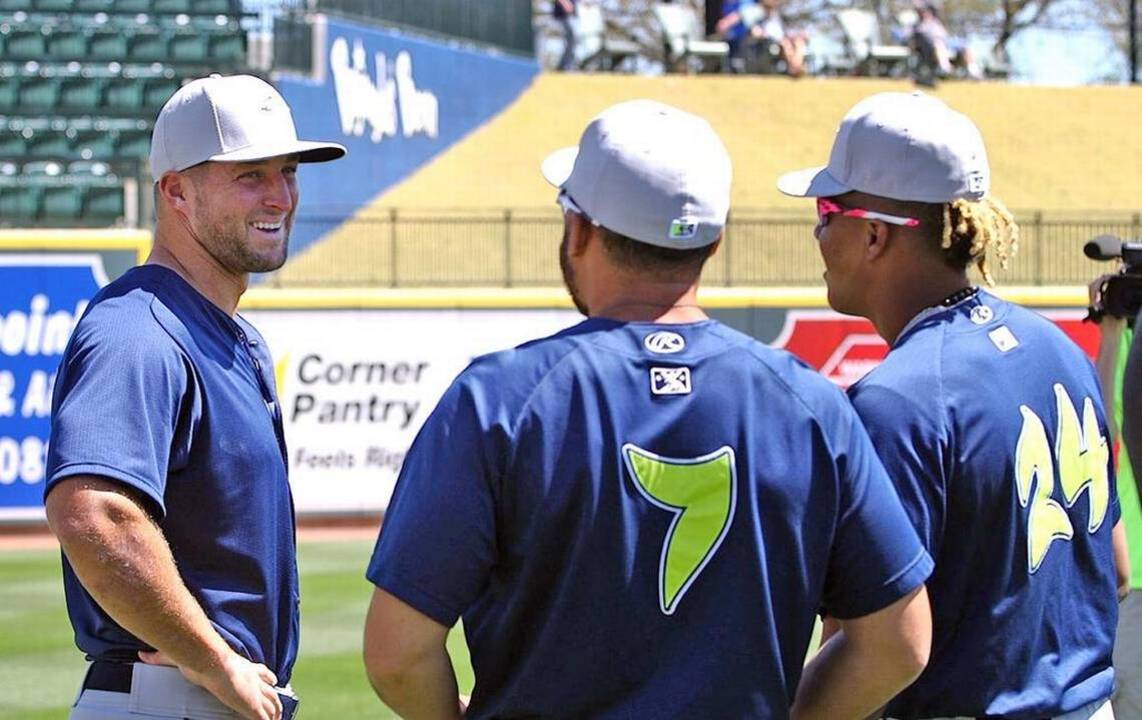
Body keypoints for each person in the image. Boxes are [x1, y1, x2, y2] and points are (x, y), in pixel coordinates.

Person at [362, 99, 934, 720]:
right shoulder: (811, 405)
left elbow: (398, 654)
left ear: (578, 229)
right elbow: (898, 643)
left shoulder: (499, 398)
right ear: (712, 244)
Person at [778, 91, 1124, 720]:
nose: (817, 229)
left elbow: (875, 648)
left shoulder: (897, 399)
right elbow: (1117, 568)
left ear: (875, 235)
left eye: (828, 209)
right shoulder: (1058, 348)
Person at [44, 74, 344, 720]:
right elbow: (93, 513)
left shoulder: (236, 338)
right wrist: (213, 658)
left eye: (287, 172)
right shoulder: (135, 327)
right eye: (250, 175)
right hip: (167, 703)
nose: (281, 196)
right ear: (175, 191)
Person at [553, 0, 578, 71]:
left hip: (567, 19)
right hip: (561, 19)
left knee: (571, 42)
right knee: (570, 42)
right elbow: (568, 8)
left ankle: (564, 65)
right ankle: (563, 65)